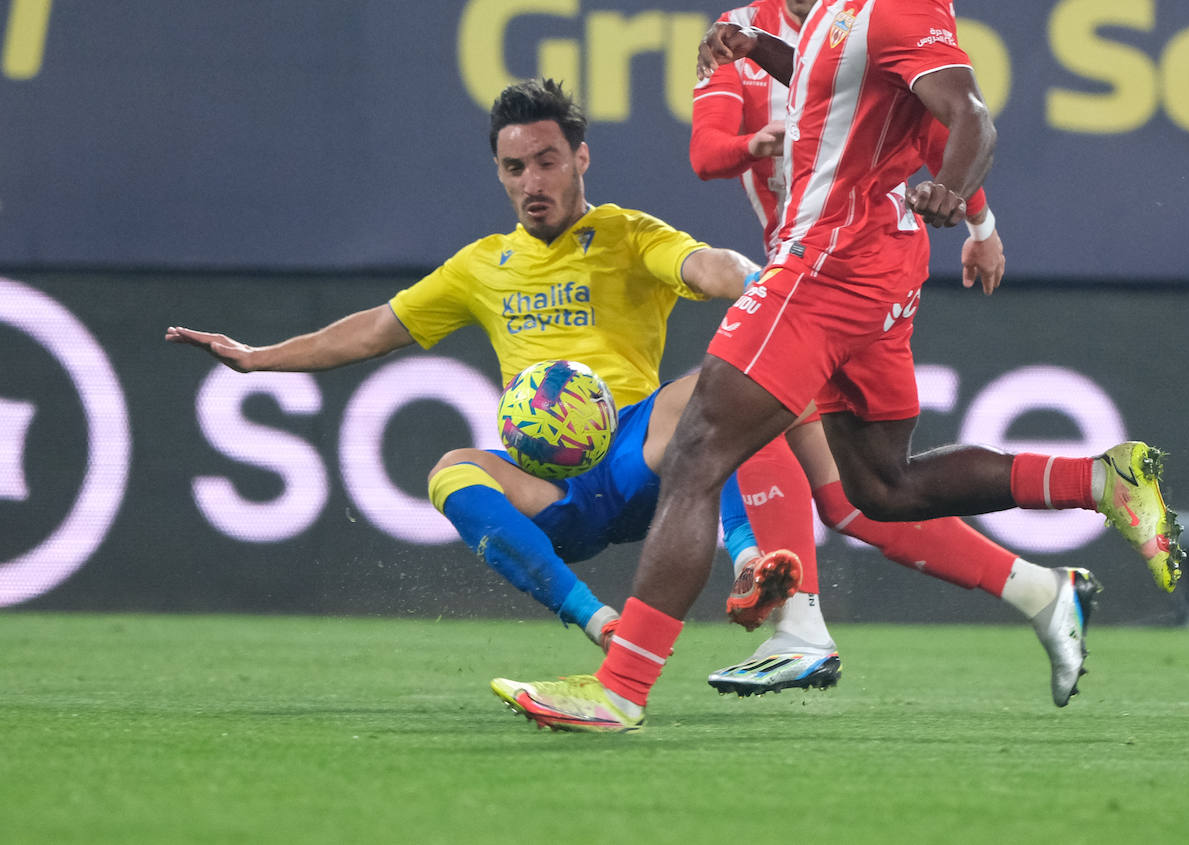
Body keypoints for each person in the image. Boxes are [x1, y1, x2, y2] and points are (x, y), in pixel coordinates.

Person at [491, 0, 1184, 733]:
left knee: (699, 451)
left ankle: (622, 685)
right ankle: (1100, 480)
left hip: (824, 264)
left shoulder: (897, 4)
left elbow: (970, 115)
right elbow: (838, 85)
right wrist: (756, 49)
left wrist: (958, 194)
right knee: (878, 488)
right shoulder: (850, 1)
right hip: (874, 269)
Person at [166, 77, 794, 654]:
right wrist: (257, 358)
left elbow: (704, 265)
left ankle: (747, 564)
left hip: (641, 462)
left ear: (580, 158)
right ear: (499, 173)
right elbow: (376, 330)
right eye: (515, 168)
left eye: (546, 161)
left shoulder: (628, 235)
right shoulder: (481, 266)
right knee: (450, 472)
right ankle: (600, 622)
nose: (532, 182)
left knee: (720, 383)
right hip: (551, 488)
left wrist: (759, 284)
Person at [694, 0, 1102, 708]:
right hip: (804, 268)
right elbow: (707, 153)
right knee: (859, 497)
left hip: (851, 267)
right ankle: (1042, 587)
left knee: (745, 417)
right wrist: (753, 144)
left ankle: (794, 622)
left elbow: (943, 126)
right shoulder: (743, 33)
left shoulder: (873, 17)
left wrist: (980, 221)